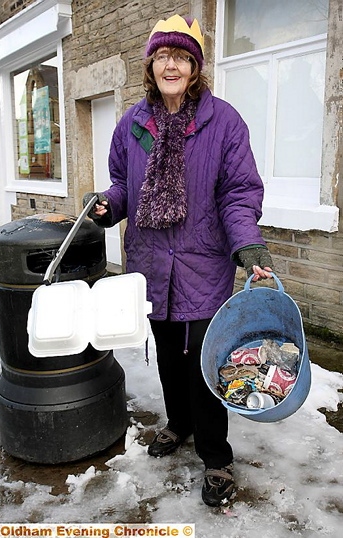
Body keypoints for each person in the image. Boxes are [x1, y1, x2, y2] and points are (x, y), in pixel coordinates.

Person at [83, 13, 273, 508]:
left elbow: (238, 192)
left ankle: (215, 458)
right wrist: (109, 204)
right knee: (168, 356)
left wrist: (247, 245)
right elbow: (124, 184)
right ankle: (178, 425)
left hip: (202, 263)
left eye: (181, 57)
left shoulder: (223, 121)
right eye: (163, 56)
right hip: (150, 262)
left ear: (195, 67)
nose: (171, 65)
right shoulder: (133, 124)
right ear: (152, 65)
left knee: (205, 368)